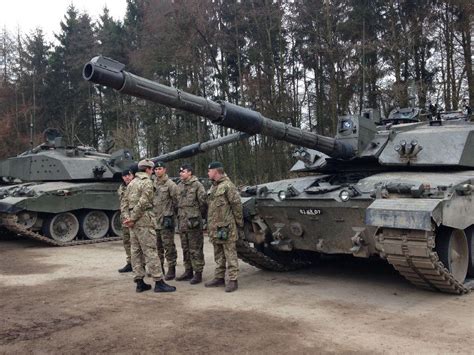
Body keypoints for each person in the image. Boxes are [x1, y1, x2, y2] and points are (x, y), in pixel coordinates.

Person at [123, 159, 176, 293]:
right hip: (144, 221)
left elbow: (124, 203)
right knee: (151, 251)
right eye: (152, 169)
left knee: (136, 252)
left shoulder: (131, 183)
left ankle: (139, 282)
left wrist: (128, 218)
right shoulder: (147, 182)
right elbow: (144, 202)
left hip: (133, 223)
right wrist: (133, 218)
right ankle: (159, 282)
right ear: (148, 169)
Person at [205, 161, 243, 293]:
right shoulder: (214, 187)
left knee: (230, 253)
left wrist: (239, 223)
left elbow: (236, 205)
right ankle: (219, 277)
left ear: (216, 171)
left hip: (226, 227)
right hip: (215, 227)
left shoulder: (228, 186)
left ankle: (233, 280)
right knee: (218, 254)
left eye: (209, 171)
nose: (208, 173)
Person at [175, 163, 207, 284]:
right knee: (185, 248)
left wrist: (197, 217)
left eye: (183, 171)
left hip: (193, 223)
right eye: (180, 172)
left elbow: (203, 203)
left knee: (196, 249)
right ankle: (188, 271)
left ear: (190, 173)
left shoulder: (197, 185)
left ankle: (198, 273)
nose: (181, 173)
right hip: (183, 223)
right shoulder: (179, 186)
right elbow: (176, 203)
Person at [153, 161, 178, 280]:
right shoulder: (153, 184)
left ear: (164, 170)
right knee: (157, 247)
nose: (157, 171)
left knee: (168, 246)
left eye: (160, 169)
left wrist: (172, 216)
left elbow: (176, 201)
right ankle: (160, 268)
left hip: (166, 220)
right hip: (155, 220)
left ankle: (171, 269)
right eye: (156, 169)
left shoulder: (170, 185)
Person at [117, 167, 135, 273]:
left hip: (135, 218)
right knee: (127, 241)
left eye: (128, 175)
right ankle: (130, 263)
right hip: (125, 218)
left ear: (132, 175)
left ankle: (140, 264)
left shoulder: (136, 186)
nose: (127, 177)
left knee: (137, 243)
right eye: (124, 176)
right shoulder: (121, 188)